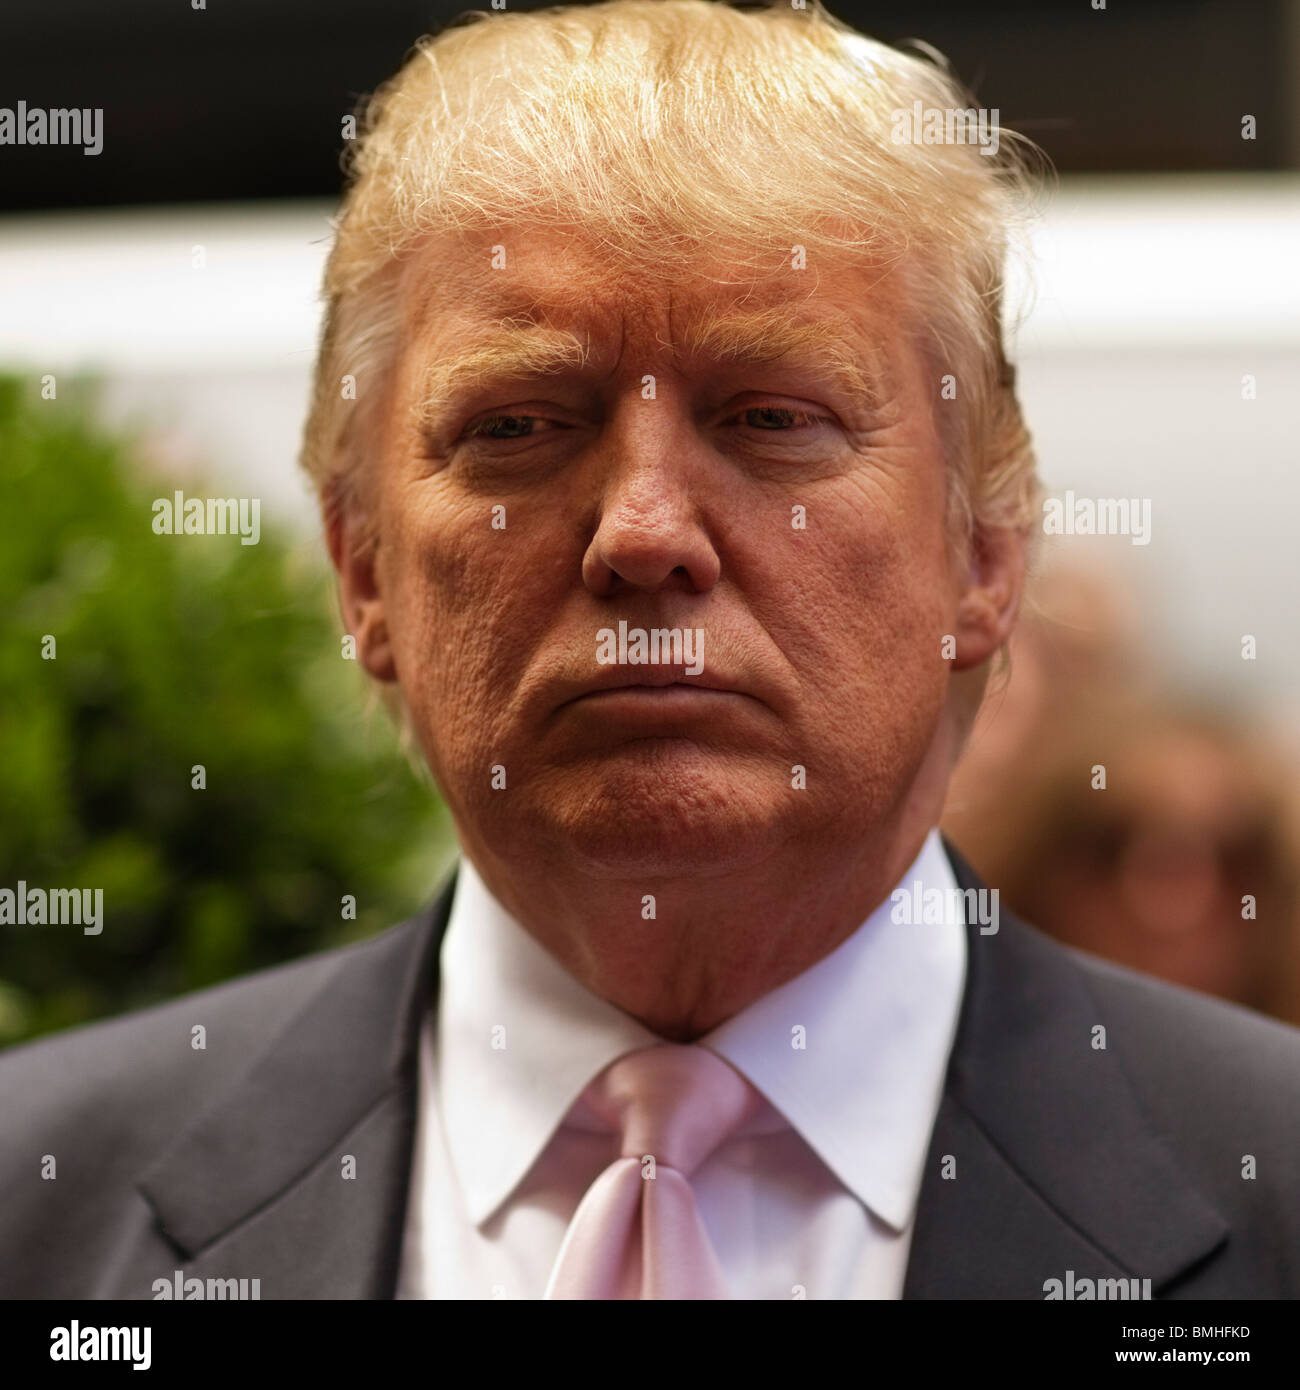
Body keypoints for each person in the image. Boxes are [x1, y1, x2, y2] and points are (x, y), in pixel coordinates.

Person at [3, 0, 1298, 1300]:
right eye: (517, 425)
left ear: (984, 558)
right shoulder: (39, 1207)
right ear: (362, 568)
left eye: (775, 416)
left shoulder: (1267, 1184)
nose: (643, 532)